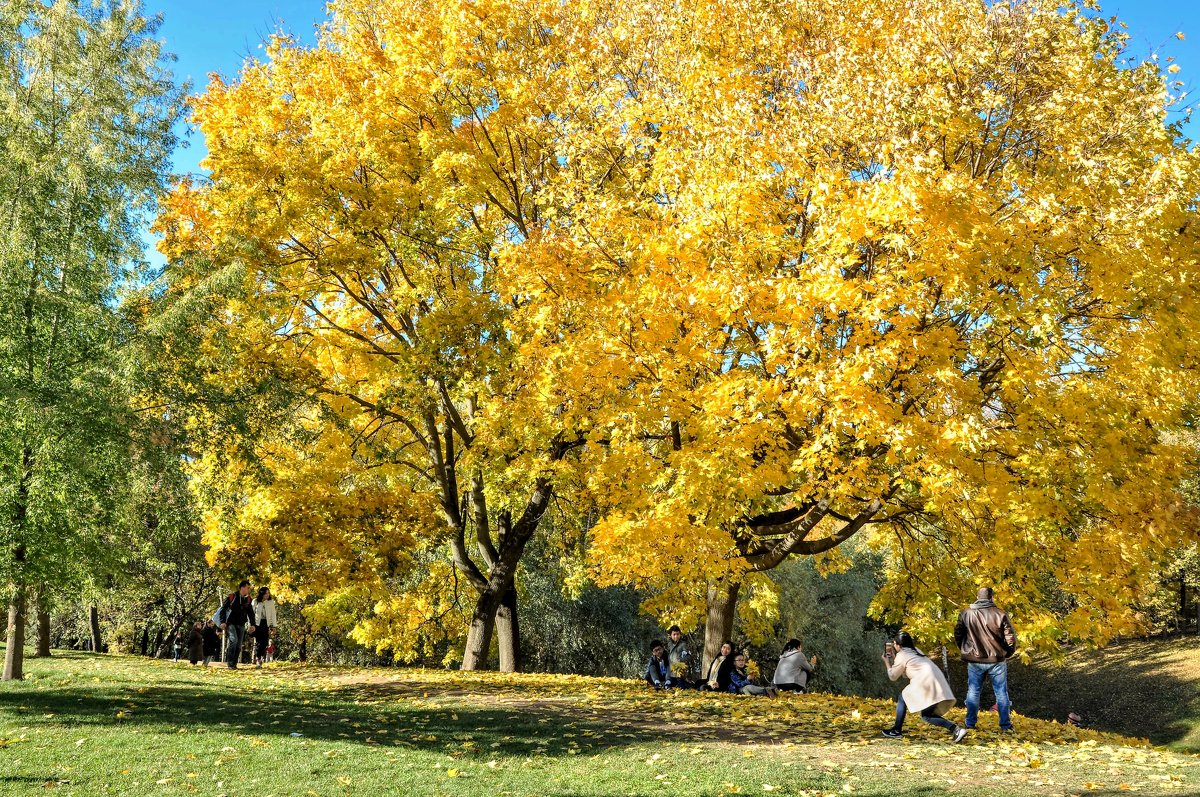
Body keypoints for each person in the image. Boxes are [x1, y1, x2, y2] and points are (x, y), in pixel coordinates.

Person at [882, 632, 968, 743]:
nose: (894, 646)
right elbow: (904, 673)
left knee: (903, 698)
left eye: (894, 644)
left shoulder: (902, 655)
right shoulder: (916, 650)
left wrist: (886, 662)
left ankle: (896, 730)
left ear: (899, 645)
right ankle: (956, 729)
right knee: (927, 715)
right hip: (936, 680)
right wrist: (894, 658)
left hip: (925, 682)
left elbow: (893, 676)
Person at [954, 587, 1017, 732]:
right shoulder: (1000, 614)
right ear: (992, 598)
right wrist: (1008, 653)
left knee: (973, 691)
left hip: (974, 659)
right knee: (1001, 693)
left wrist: (964, 649)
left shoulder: (966, 613)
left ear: (977, 597)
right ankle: (1005, 726)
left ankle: (970, 724)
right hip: (996, 659)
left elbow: (958, 633)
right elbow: (1010, 637)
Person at [218, 580, 258, 669]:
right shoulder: (232, 597)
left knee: (239, 644)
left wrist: (253, 624)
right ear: (242, 588)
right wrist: (222, 622)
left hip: (241, 625)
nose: (249, 590)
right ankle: (230, 663)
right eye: (248, 588)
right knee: (234, 640)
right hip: (231, 624)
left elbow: (251, 613)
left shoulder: (248, 599)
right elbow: (223, 610)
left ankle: (234, 664)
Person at [252, 587, 278, 667]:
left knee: (264, 642)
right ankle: (258, 658)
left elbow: (273, 614)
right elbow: (251, 614)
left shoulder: (270, 602)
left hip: (265, 623)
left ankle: (259, 656)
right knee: (258, 642)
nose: (267, 594)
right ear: (262, 593)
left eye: (268, 593)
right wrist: (250, 625)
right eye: (266, 593)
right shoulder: (255, 601)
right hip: (257, 623)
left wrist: (274, 626)